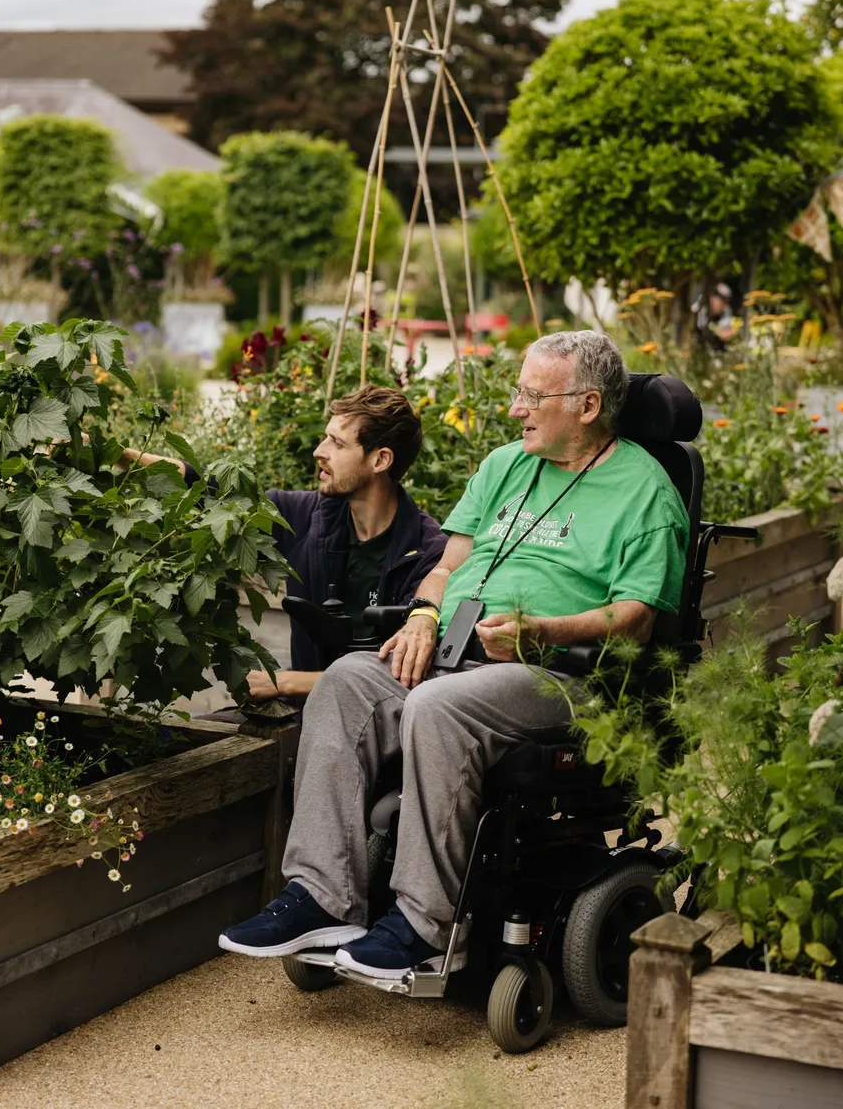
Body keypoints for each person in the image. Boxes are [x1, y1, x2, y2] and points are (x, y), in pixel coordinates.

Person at [218, 330, 690, 977]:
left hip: (559, 674)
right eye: (519, 393)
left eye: (533, 396)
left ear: (587, 406)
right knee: (347, 680)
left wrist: (543, 630)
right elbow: (447, 566)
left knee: (437, 705)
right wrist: (422, 615)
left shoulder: (646, 491)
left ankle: (424, 924)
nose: (516, 409)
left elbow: (635, 620)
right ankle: (322, 897)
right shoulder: (504, 466)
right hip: (458, 649)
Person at [119, 386, 446, 702]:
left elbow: (399, 672)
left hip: (375, 721)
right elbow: (205, 485)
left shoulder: (427, 555)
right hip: (299, 712)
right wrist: (120, 456)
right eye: (325, 437)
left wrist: (285, 683)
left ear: (380, 460)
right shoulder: (312, 517)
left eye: (337, 443)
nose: (319, 451)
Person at [694, 282, 735, 351]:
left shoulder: (726, 310)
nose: (724, 304)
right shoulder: (700, 309)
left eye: (726, 302)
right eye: (722, 300)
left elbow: (726, 330)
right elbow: (700, 327)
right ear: (712, 298)